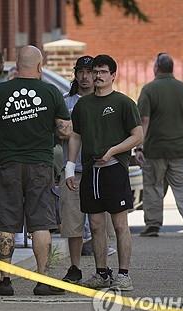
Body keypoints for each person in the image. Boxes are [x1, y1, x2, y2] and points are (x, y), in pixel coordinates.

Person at [0, 45, 72, 296]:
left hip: (8, 164)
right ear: (40, 66)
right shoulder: (51, 92)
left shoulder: (0, 91)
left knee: (6, 224)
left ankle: (5, 281)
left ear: (16, 65)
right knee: (40, 223)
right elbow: (65, 129)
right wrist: (48, 128)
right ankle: (42, 280)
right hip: (40, 165)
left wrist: (5, 129)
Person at [66, 54, 143, 291]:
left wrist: (113, 152)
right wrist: (70, 166)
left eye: (102, 72)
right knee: (96, 225)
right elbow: (76, 135)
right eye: (95, 72)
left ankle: (124, 274)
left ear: (112, 75)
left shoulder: (123, 103)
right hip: (90, 171)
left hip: (114, 170)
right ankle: (101, 273)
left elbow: (137, 135)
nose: (97, 76)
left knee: (120, 225)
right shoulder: (83, 105)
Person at [60, 55, 117, 284]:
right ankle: (74, 267)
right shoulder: (66, 101)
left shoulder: (105, 101)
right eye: (80, 72)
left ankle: (102, 268)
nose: (85, 77)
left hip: (99, 168)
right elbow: (61, 131)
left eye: (89, 72)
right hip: (74, 169)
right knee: (72, 221)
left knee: (99, 223)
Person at [136, 53, 183, 238]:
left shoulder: (149, 90)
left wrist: (139, 146)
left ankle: (153, 226)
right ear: (172, 68)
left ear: (156, 68)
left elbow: (144, 120)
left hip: (155, 149)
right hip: (180, 149)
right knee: (182, 186)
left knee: (154, 186)